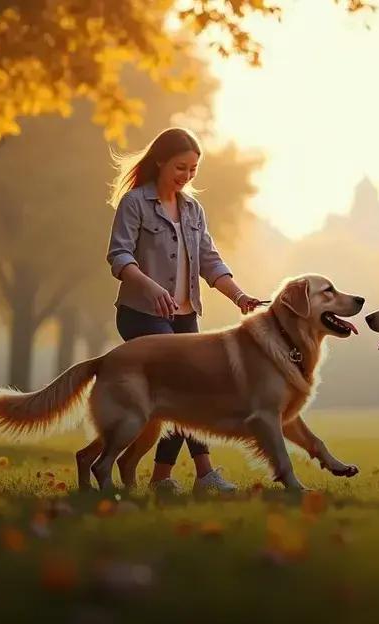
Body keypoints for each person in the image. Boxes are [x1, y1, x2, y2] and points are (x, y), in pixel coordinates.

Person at [106, 127, 263, 494]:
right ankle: (204, 473)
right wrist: (151, 286)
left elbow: (210, 261)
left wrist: (240, 297)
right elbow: (119, 255)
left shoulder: (193, 209)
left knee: (187, 393)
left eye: (193, 170)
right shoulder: (135, 203)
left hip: (185, 316)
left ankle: (162, 477)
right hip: (142, 314)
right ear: (160, 160)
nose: (186, 176)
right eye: (181, 167)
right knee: (185, 386)